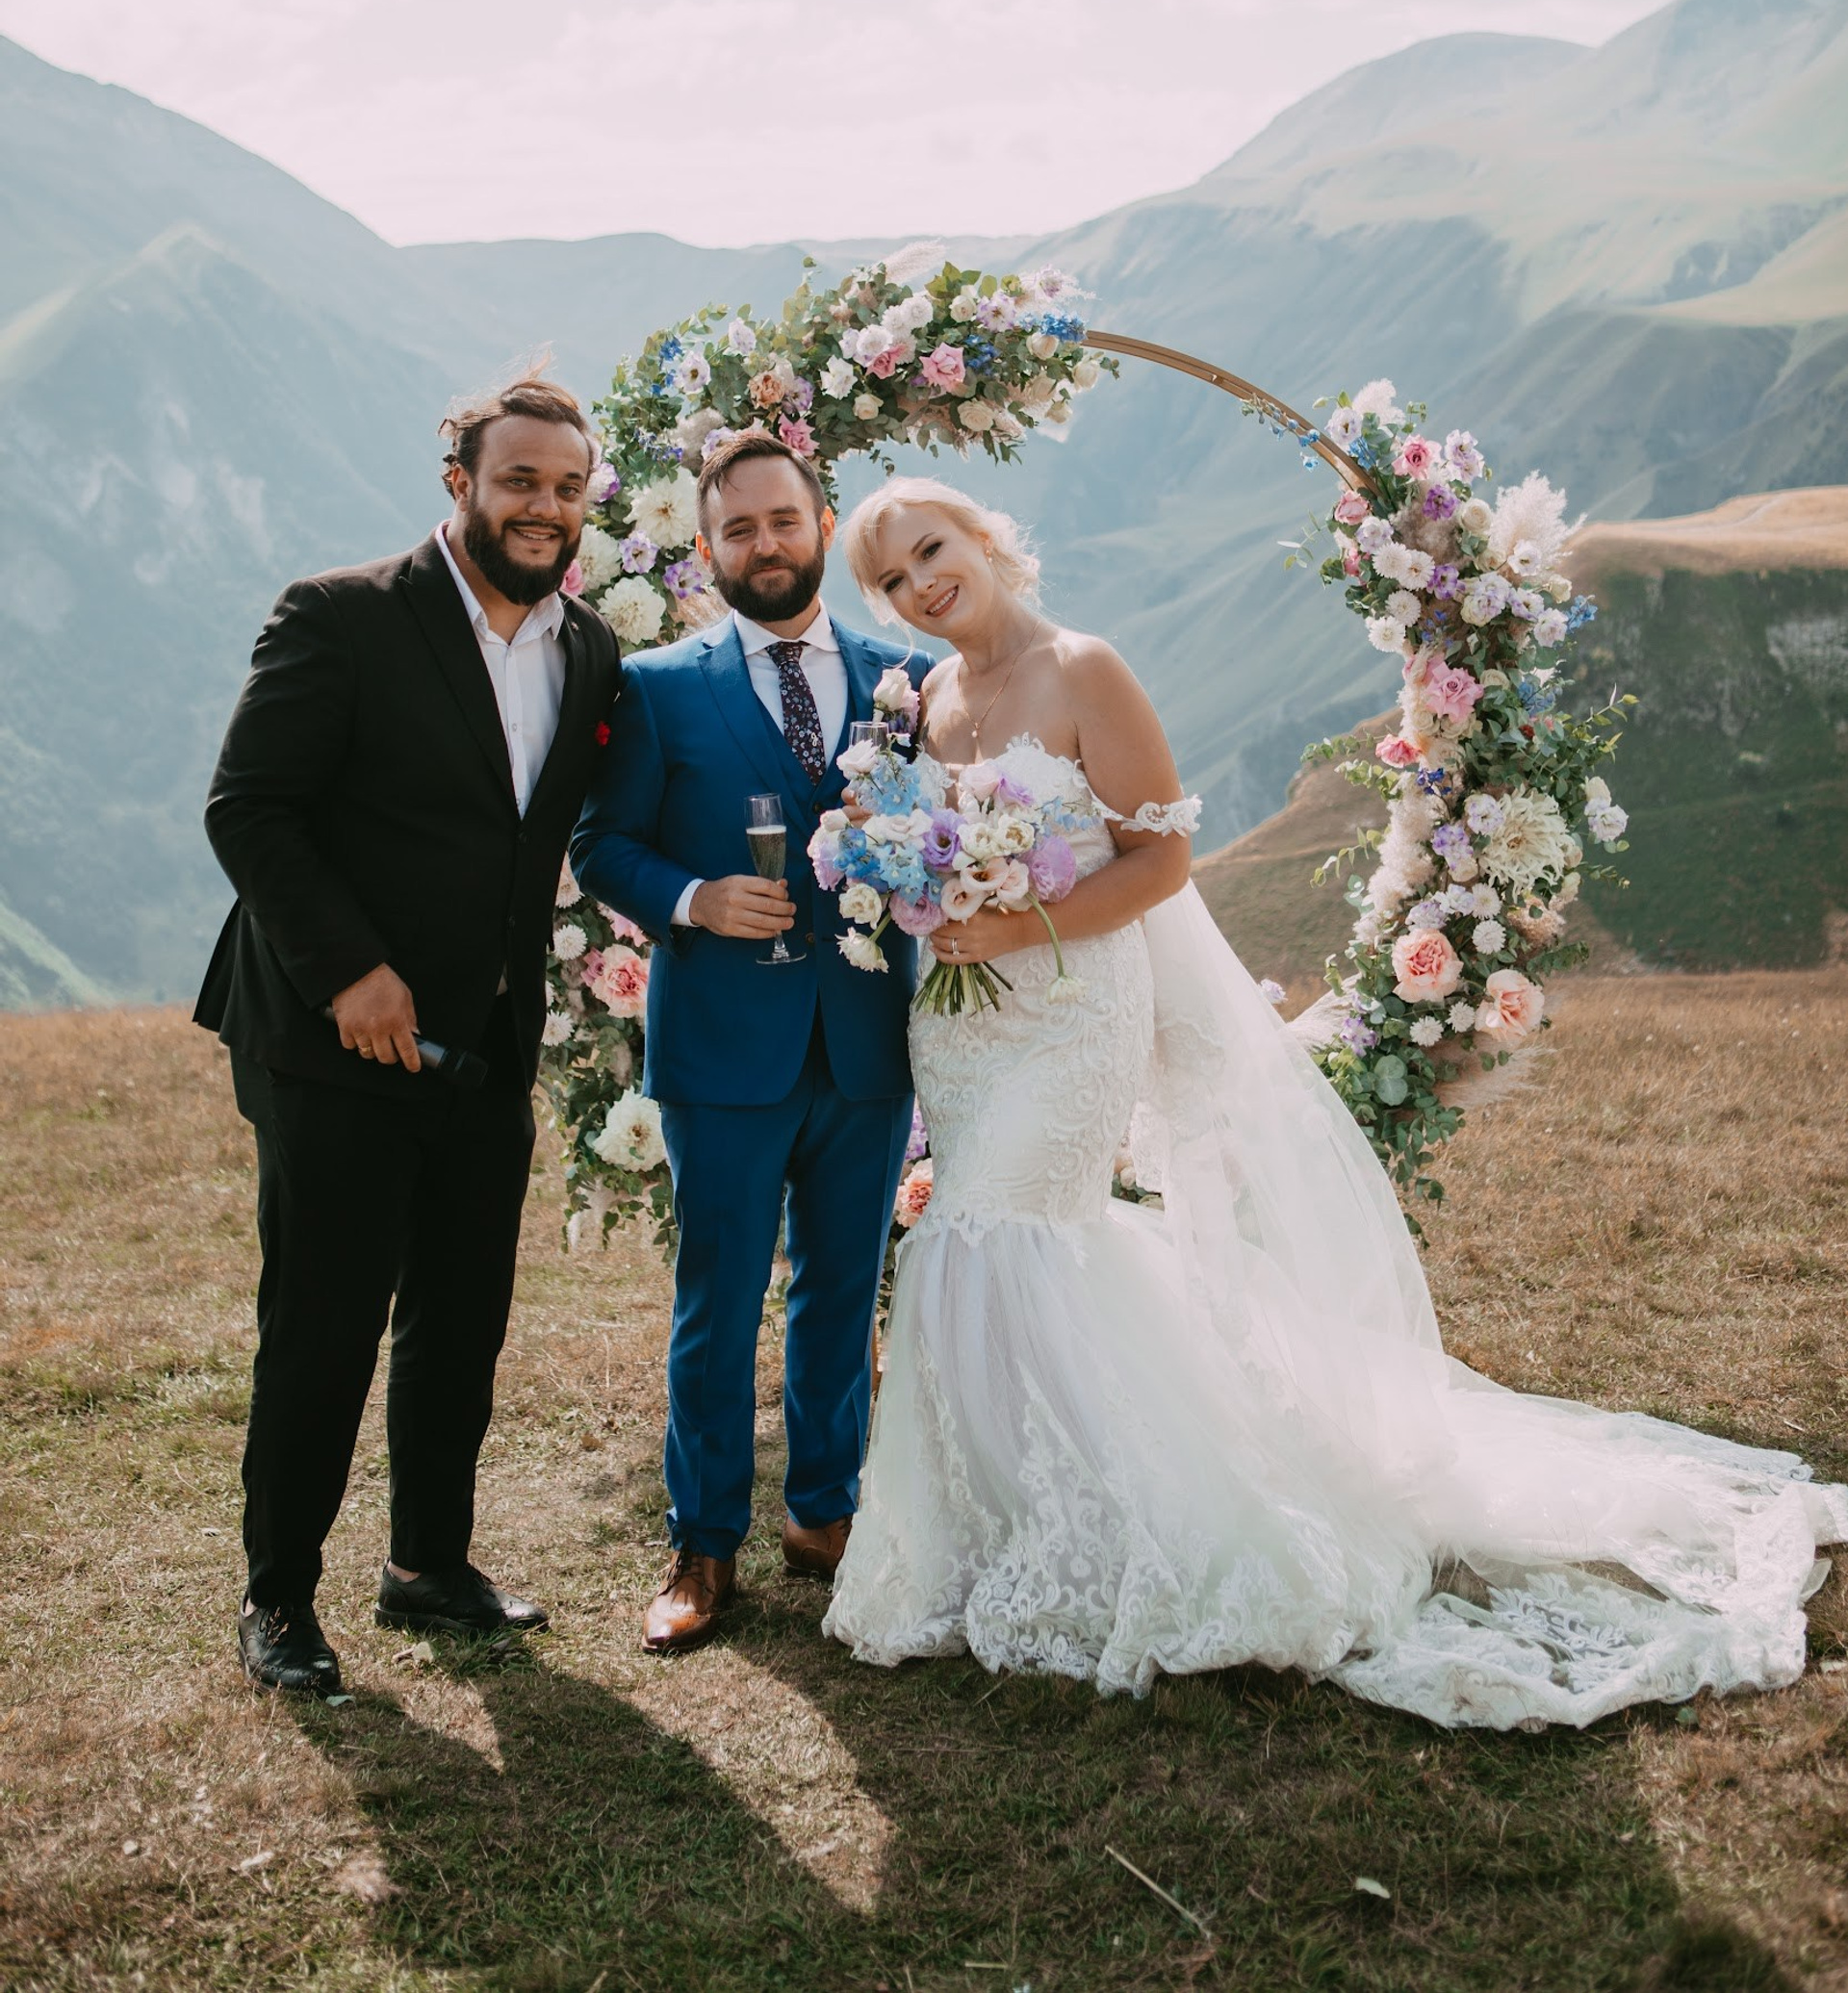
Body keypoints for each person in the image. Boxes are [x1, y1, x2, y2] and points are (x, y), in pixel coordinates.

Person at [820, 475, 1848, 1729]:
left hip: (1077, 1009)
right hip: (968, 1030)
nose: (921, 584)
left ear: (983, 540)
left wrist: (1018, 918)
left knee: (1012, 1237)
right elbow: (925, 858)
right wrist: (932, 904)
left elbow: (1163, 858)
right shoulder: (927, 701)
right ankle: (1010, 1529)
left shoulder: (1085, 668)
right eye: (890, 579)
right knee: (979, 1246)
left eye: (932, 550)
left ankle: (1162, 1532)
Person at [196, 370, 623, 1695]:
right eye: (519, 481)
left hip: (486, 1038)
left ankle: (429, 1567)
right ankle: (278, 1603)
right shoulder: (339, 618)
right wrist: (352, 975)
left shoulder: (589, 650)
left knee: (462, 1317)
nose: (545, 508)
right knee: (323, 1322)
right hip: (331, 1038)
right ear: (461, 485)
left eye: (567, 486)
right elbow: (250, 809)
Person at [572, 428, 933, 1654]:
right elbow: (601, 844)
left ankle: (826, 1514)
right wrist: (691, 900)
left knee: (842, 1291)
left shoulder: (910, 680)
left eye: (784, 521)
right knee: (715, 1301)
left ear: (822, 525)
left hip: (869, 1042)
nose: (764, 544)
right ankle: (702, 1543)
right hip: (723, 1046)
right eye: (739, 529)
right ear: (706, 547)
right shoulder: (659, 685)